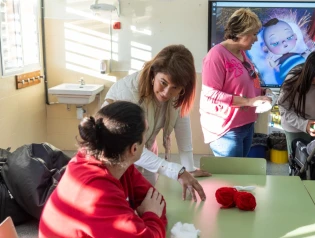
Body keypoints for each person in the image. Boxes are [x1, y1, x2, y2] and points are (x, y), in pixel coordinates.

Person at [39, 101, 167, 238]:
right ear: (134, 149)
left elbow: (157, 202)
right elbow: (153, 216)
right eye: (145, 133)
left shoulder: (113, 162)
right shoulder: (97, 191)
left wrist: (147, 217)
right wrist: (151, 215)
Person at [104, 45, 210, 202]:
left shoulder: (177, 95)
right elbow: (129, 148)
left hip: (145, 149)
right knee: (121, 202)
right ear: (153, 73)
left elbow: (182, 127)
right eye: (163, 83)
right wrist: (176, 171)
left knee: (149, 198)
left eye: (175, 88)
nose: (167, 93)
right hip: (116, 156)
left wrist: (188, 167)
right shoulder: (127, 93)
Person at [200, 8, 273, 157]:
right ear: (241, 33)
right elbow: (211, 95)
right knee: (230, 178)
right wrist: (249, 101)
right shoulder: (216, 56)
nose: (256, 39)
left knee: (240, 174)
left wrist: (263, 93)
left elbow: (245, 81)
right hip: (227, 128)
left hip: (246, 124)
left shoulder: (242, 53)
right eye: (254, 34)